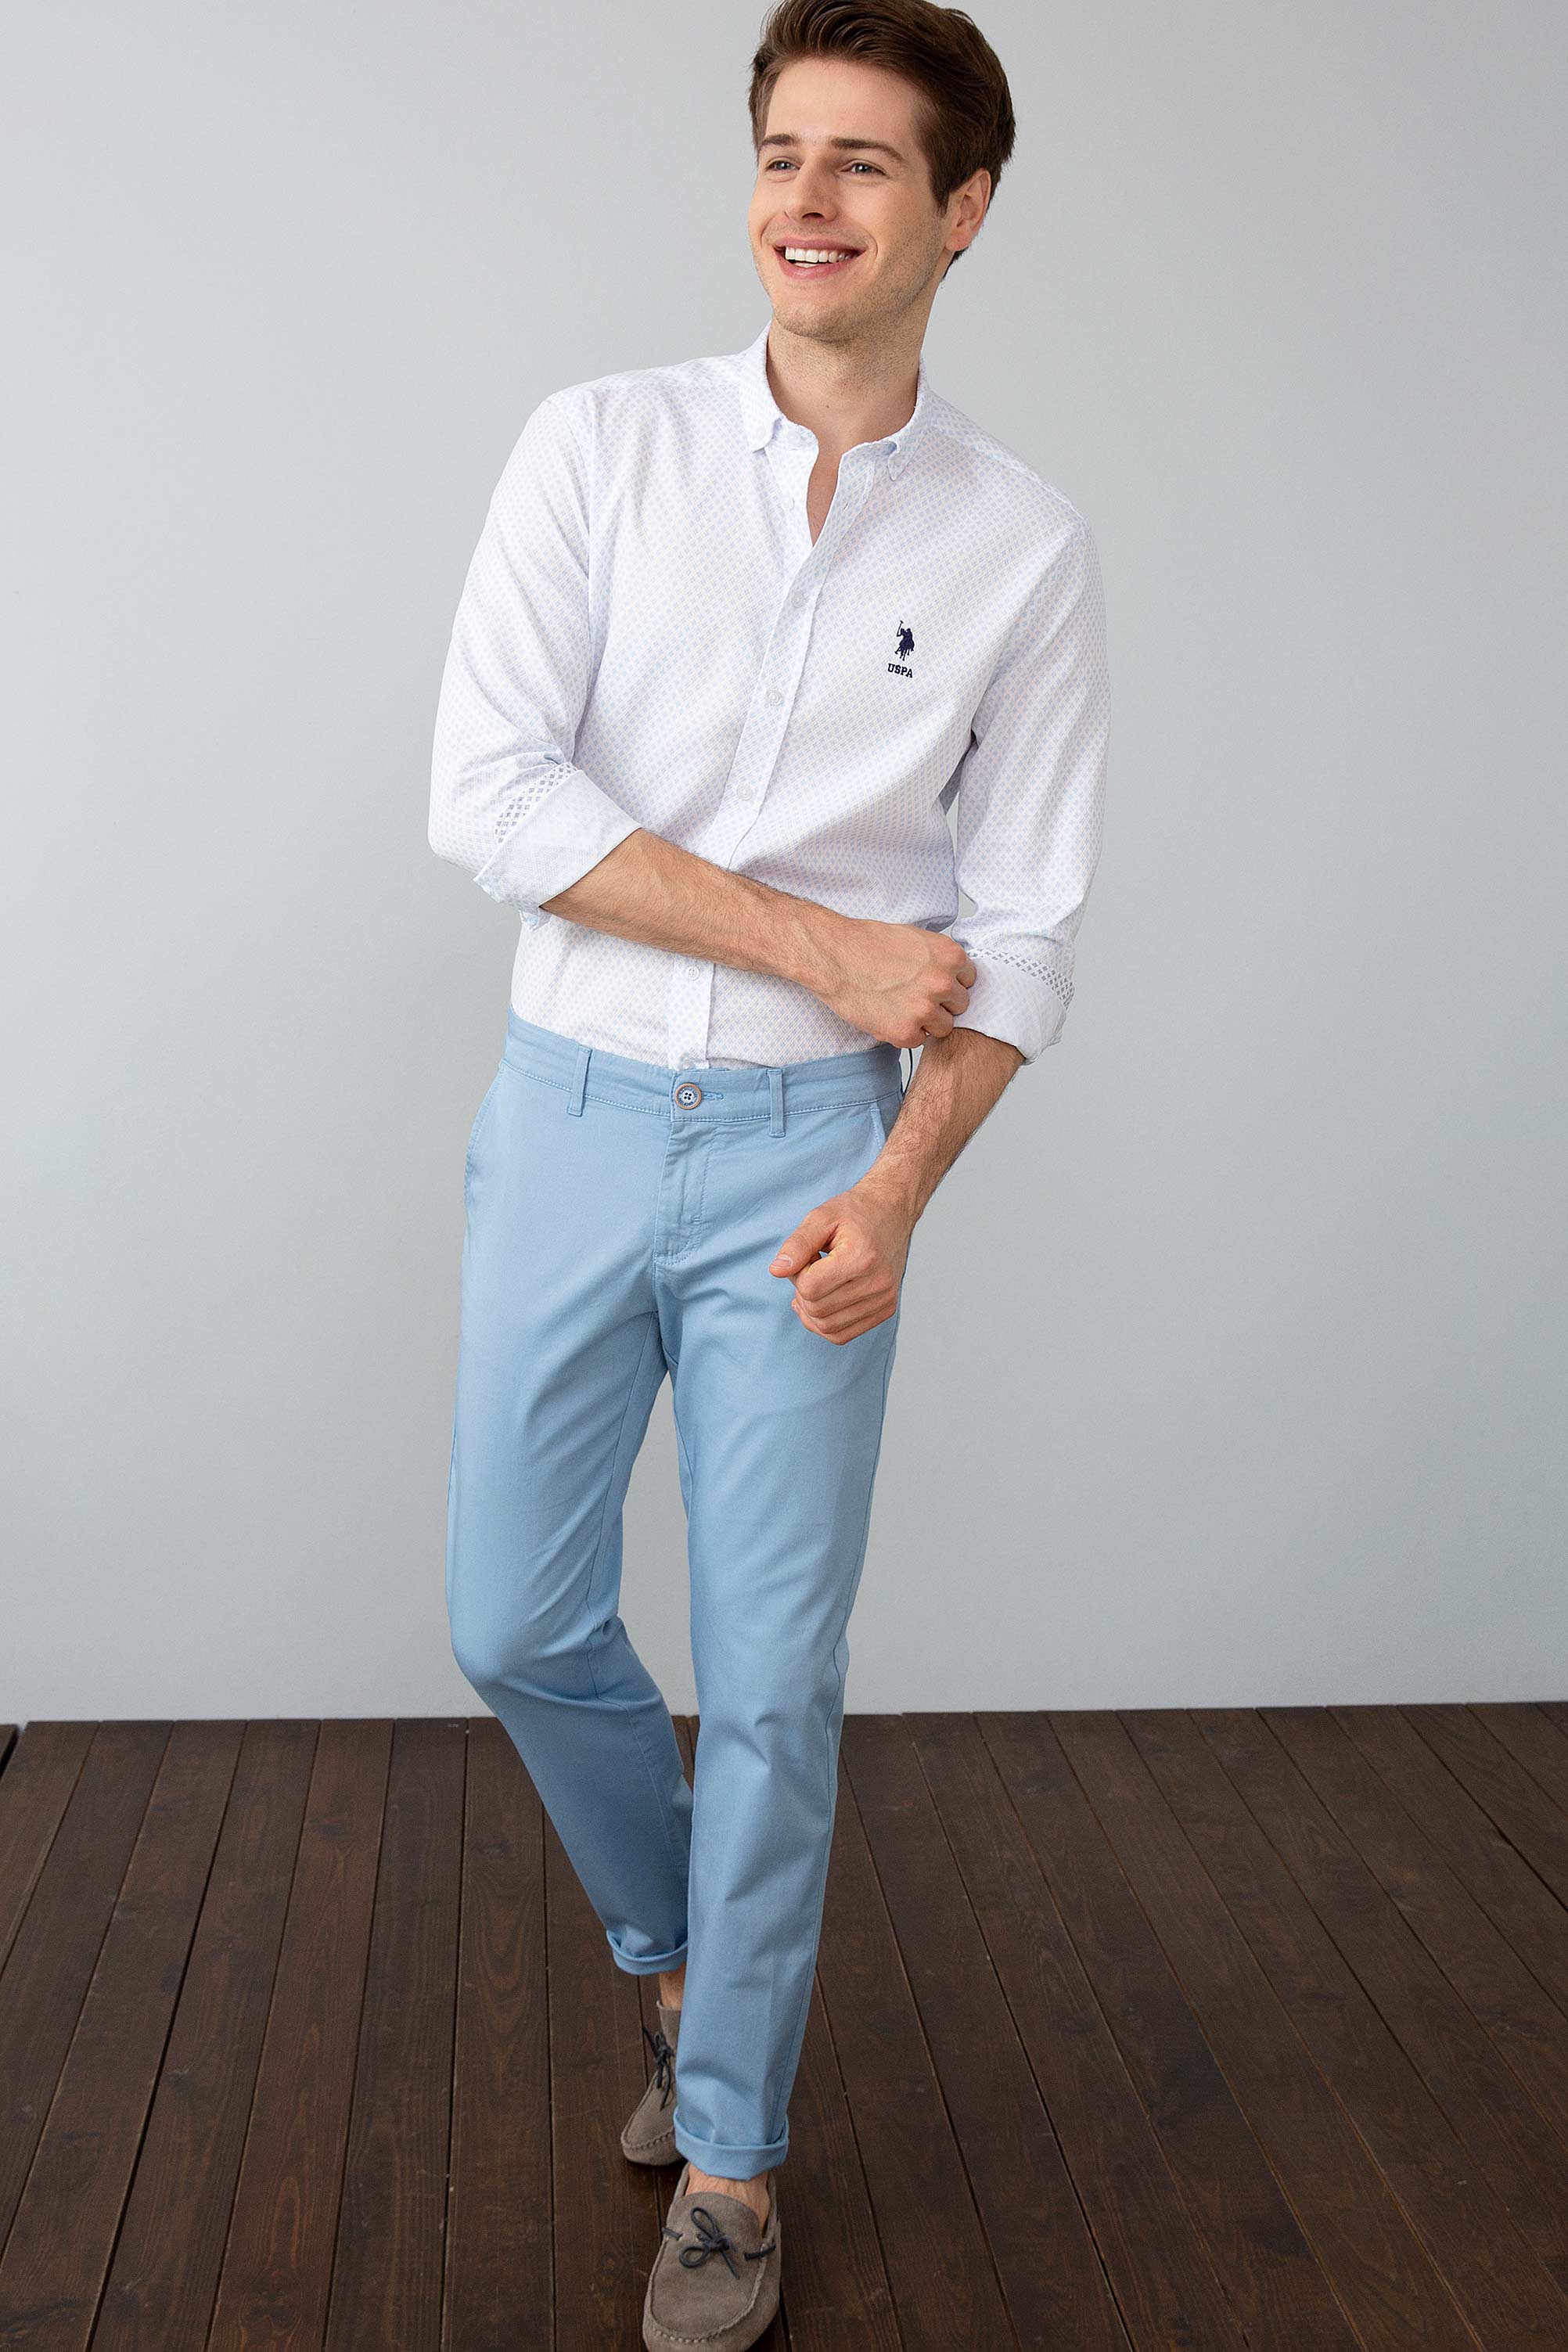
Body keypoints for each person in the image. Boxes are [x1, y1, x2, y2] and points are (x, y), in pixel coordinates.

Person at [429, 0, 1109, 2340]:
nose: (806, 200)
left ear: (963, 212)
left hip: (821, 1160)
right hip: (572, 1110)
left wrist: (900, 1186)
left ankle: (730, 2155)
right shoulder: (598, 448)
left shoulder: (1021, 545)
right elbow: (490, 793)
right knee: (509, 1618)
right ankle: (675, 1958)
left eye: (864, 163)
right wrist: (821, 941)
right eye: (781, 152)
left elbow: (1025, 930)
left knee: (779, 1679)